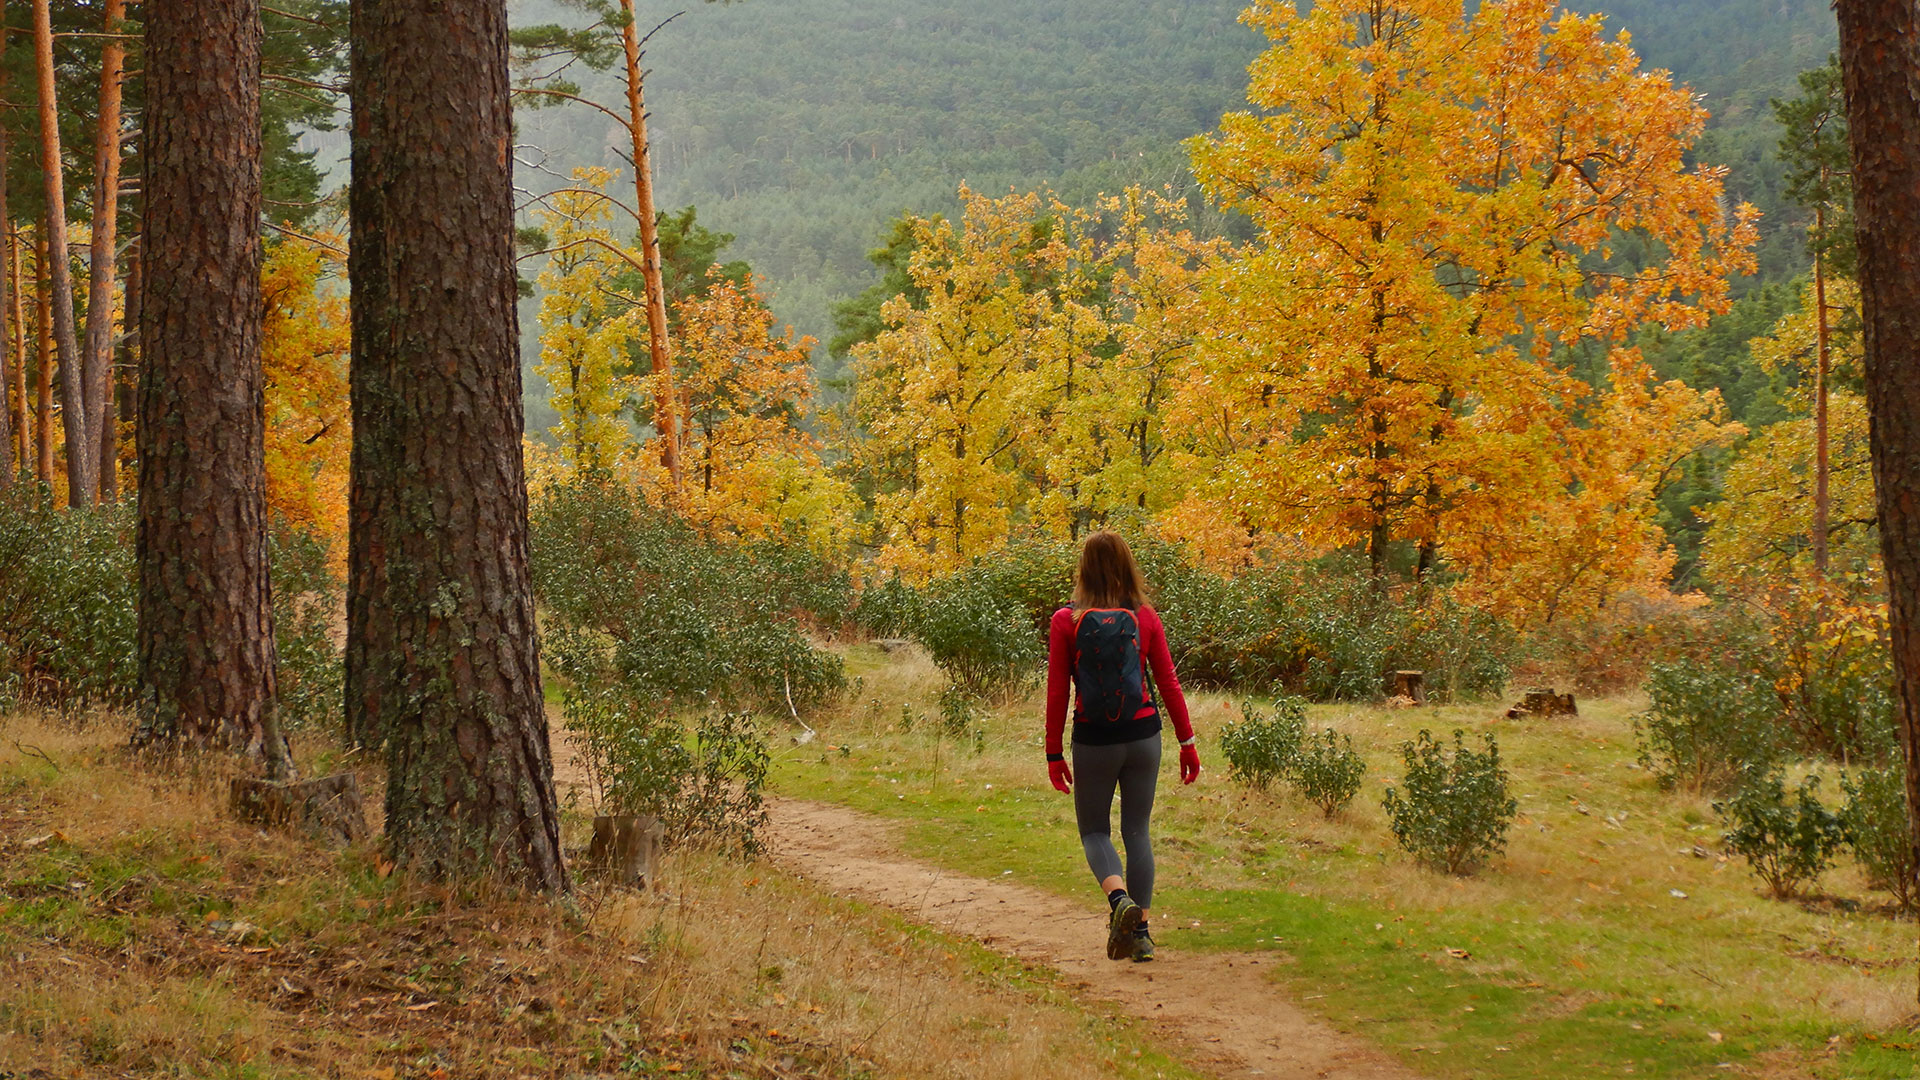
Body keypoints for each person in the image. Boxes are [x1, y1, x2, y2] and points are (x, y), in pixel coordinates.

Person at [1044, 531, 1200, 963]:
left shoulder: (1066, 621)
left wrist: (1053, 752)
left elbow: (1058, 692)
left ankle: (1119, 902)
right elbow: (1167, 681)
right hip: (1144, 735)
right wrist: (1187, 742)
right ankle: (1142, 935)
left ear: (1083, 569)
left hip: (1094, 739)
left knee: (1095, 831)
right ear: (1129, 565)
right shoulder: (1145, 617)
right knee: (1138, 832)